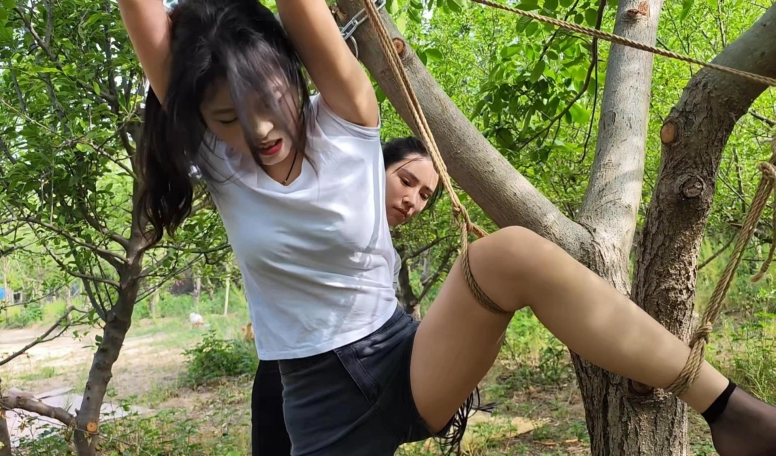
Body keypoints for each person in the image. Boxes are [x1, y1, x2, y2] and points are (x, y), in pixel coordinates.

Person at [118, 0, 776, 454]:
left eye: (269, 101)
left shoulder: (345, 115)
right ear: (202, 119)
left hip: (410, 363)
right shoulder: (225, 166)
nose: (259, 129)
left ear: (293, 72)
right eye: (228, 119)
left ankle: (731, 413)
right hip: (319, 402)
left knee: (510, 253)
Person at [251, 136, 442, 455]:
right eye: (406, 181)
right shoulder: (328, 212)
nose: (412, 201)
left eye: (424, 195)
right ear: (376, 169)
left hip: (349, 380)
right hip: (288, 368)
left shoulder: (390, 259)